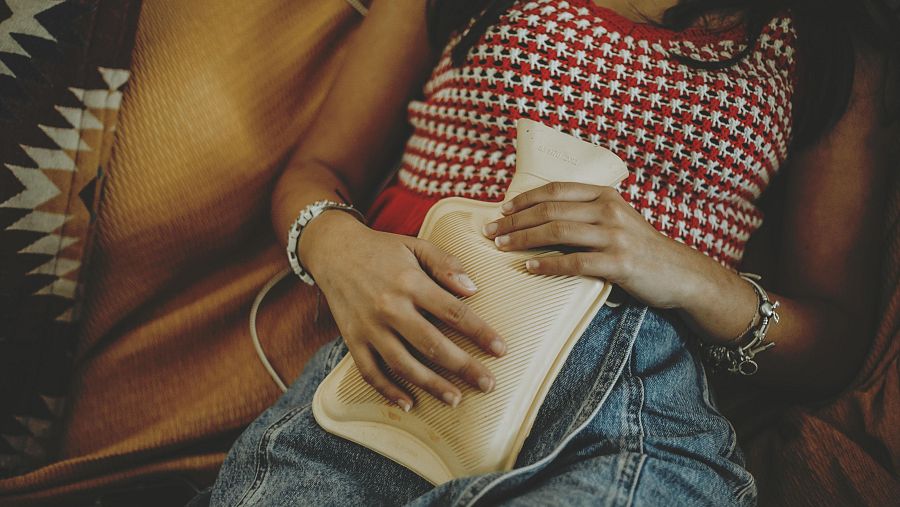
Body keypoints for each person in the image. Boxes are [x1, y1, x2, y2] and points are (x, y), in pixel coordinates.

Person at [199, 0, 895, 505]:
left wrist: (684, 271)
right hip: (400, 367)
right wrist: (338, 248)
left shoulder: (825, 39)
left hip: (631, 395)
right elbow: (316, 170)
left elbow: (832, 340)